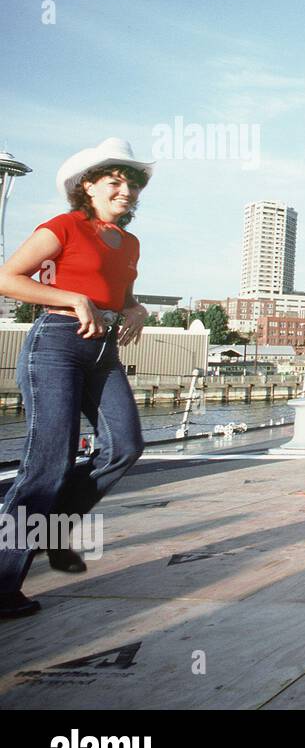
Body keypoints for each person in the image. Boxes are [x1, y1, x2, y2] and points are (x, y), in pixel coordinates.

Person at [0, 138, 153, 619]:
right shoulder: (63, 226)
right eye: (116, 181)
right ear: (88, 186)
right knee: (47, 465)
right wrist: (71, 298)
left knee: (125, 446)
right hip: (57, 345)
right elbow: (7, 278)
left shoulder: (129, 243)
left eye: (132, 183)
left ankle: (50, 526)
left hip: (103, 350)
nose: (126, 190)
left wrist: (139, 309)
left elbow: (122, 296)